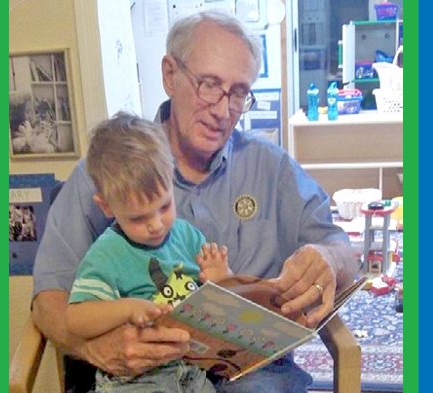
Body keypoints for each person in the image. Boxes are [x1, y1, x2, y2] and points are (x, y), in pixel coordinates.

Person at [31, 10, 357, 393]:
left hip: (253, 377)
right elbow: (48, 302)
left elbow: (341, 250)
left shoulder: (273, 168)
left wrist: (329, 260)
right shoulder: (105, 175)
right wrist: (96, 347)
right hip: (144, 377)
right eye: (208, 85)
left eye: (238, 93)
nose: (222, 110)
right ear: (169, 75)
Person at [65, 113, 229, 392]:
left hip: (193, 371)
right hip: (136, 378)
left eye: (164, 207)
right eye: (138, 218)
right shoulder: (107, 254)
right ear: (106, 207)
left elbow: (223, 307)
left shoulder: (188, 236)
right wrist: (127, 309)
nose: (156, 225)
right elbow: (76, 319)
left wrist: (222, 278)